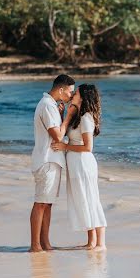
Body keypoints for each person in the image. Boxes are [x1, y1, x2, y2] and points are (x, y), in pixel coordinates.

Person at [51, 83, 107, 250]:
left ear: (83, 97)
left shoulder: (86, 118)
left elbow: (88, 147)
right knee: (83, 200)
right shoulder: (77, 116)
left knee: (91, 199)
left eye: (76, 93)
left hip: (83, 163)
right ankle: (91, 242)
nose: (73, 95)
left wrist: (65, 147)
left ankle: (100, 243)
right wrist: (64, 114)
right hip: (76, 164)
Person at [29, 74, 80, 252]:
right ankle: (35, 245)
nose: (71, 97)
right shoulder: (47, 105)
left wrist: (61, 114)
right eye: (70, 92)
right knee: (41, 203)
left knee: (47, 203)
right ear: (61, 89)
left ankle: (45, 243)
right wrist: (67, 117)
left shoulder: (51, 106)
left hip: (51, 160)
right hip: (46, 160)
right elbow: (58, 136)